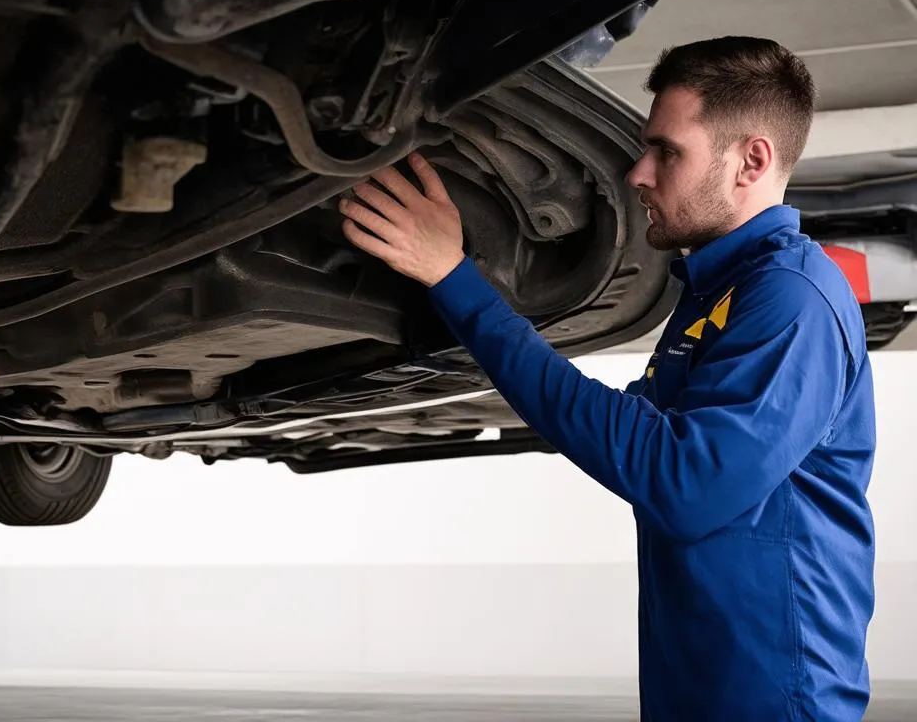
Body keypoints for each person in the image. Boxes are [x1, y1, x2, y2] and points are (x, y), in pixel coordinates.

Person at [339, 36, 876, 722]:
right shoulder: (720, 296)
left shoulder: (794, 298)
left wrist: (460, 282)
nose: (638, 174)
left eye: (667, 151)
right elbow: (628, 433)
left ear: (752, 160)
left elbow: (684, 485)